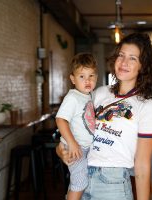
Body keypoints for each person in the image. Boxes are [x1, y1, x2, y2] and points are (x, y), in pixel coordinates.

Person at [57, 32, 152, 200]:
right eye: (121, 55)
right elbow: (75, 131)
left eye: (132, 58)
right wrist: (61, 150)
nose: (124, 62)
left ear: (143, 66)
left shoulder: (148, 105)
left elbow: (142, 164)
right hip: (81, 177)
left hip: (112, 185)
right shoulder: (97, 93)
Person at [55, 52, 98, 200]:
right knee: (79, 181)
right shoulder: (72, 97)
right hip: (75, 147)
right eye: (82, 76)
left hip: (85, 148)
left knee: (84, 181)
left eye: (91, 76)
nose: (87, 80)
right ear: (73, 79)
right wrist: (72, 144)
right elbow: (60, 120)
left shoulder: (90, 96)